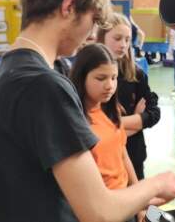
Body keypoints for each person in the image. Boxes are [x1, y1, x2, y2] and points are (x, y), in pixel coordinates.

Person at [0, 0, 175, 222]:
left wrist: (138, 196)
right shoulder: (44, 86)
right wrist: (155, 185)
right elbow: (99, 212)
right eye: (92, 20)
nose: (91, 33)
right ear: (69, 7)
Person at [71, 43, 159, 222]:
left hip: (126, 201)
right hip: (103, 209)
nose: (109, 85)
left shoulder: (113, 111)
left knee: (158, 217)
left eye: (114, 78)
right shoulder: (75, 122)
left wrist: (140, 200)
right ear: (82, 78)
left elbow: (123, 155)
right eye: (101, 78)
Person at [97, 12, 160, 180]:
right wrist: (137, 120)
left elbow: (154, 113)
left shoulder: (136, 75)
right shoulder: (90, 76)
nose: (123, 44)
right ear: (102, 38)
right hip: (104, 161)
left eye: (127, 39)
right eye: (117, 38)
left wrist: (115, 125)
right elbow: (95, 131)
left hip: (134, 154)